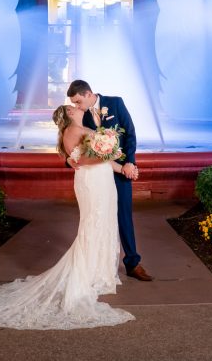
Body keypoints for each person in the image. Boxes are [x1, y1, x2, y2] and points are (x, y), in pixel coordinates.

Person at [0, 104, 135, 330]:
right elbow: (82, 161)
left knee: (105, 222)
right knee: (92, 223)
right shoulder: (71, 131)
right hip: (91, 182)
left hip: (104, 179)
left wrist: (122, 168)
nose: (77, 107)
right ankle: (86, 274)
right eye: (72, 106)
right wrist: (109, 153)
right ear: (69, 114)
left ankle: (100, 272)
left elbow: (100, 156)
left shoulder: (86, 128)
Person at [67, 79, 153, 282]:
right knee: (97, 217)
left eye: (78, 101)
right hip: (96, 173)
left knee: (124, 215)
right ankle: (98, 264)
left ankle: (132, 263)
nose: (76, 106)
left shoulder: (115, 103)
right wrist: (69, 160)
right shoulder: (80, 116)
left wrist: (129, 163)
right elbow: (73, 143)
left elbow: (130, 133)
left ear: (88, 94)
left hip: (119, 169)